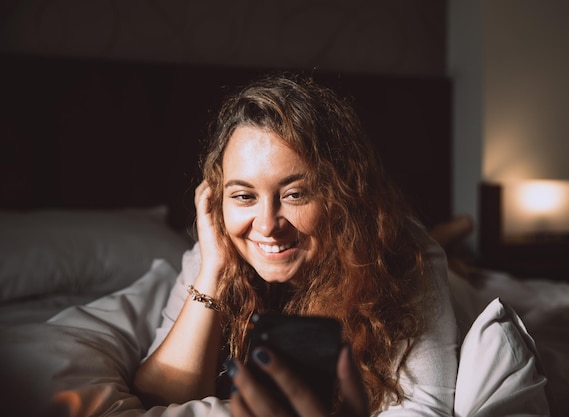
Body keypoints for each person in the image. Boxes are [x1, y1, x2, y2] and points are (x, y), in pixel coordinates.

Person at [133, 73, 458, 416]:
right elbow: (160, 399)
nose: (267, 225)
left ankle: (452, 236)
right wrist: (212, 270)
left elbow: (425, 409)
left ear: (342, 195)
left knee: (448, 257)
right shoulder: (219, 245)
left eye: (295, 194)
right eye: (244, 196)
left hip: (405, 243)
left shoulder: (404, 253)